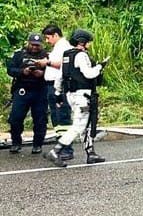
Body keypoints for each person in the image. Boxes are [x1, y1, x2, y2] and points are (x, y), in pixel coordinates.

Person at [44, 29, 107, 166]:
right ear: (82, 42)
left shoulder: (66, 55)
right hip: (83, 95)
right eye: (88, 42)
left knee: (85, 125)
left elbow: (60, 77)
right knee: (79, 126)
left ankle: (91, 153)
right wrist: (100, 67)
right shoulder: (81, 56)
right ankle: (56, 151)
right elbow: (89, 74)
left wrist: (57, 94)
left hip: (71, 95)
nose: (89, 45)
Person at [6, 33, 50, 153]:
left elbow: (54, 72)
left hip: (40, 90)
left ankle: (37, 144)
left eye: (37, 45)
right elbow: (10, 69)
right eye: (32, 45)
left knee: (40, 119)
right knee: (15, 118)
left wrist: (42, 74)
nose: (35, 47)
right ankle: (16, 142)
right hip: (22, 90)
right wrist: (22, 71)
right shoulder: (19, 54)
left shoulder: (46, 56)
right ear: (28, 43)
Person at [42, 24, 75, 160]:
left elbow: (64, 65)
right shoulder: (56, 48)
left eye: (48, 38)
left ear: (56, 35)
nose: (47, 41)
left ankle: (67, 148)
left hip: (60, 87)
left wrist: (47, 63)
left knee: (63, 117)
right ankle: (60, 146)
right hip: (50, 85)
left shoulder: (65, 47)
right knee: (56, 118)